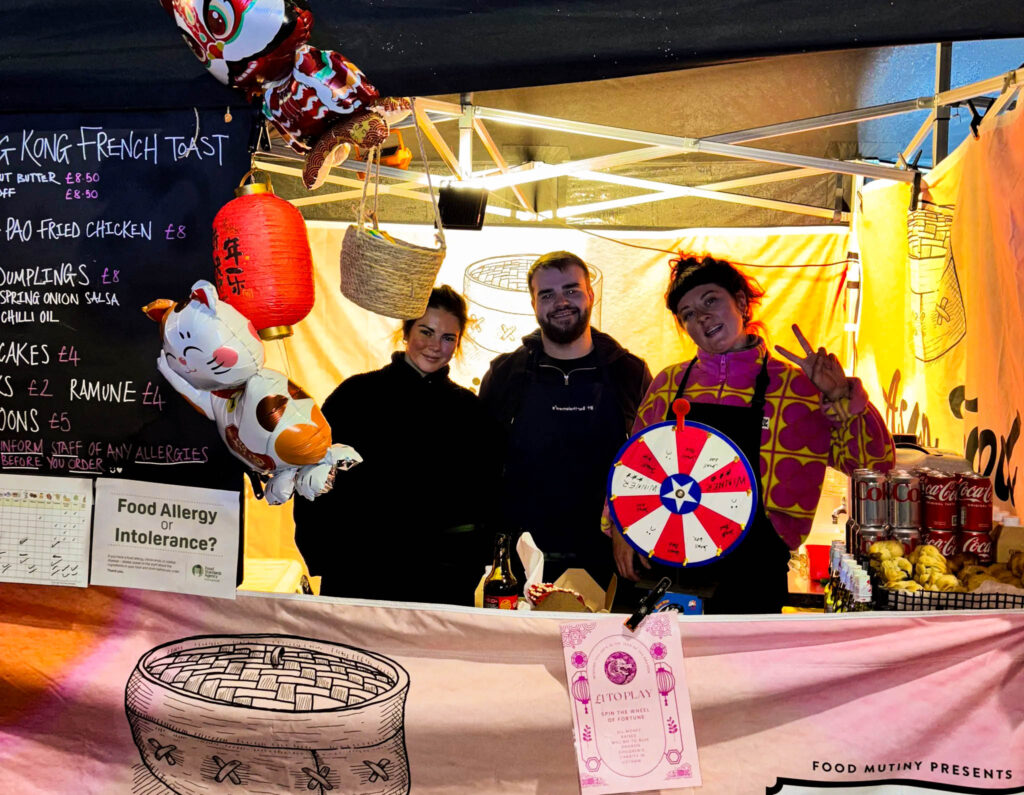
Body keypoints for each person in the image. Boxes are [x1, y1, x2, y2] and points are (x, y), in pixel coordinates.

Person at [609, 254, 894, 614]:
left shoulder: (797, 388)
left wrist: (842, 397)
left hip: (755, 570)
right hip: (672, 566)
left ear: (741, 303)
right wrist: (620, 528)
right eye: (688, 314)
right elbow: (635, 468)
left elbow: (874, 467)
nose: (702, 317)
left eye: (711, 300)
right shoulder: (670, 384)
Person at [293, 285, 499, 605]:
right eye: (426, 332)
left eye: (448, 338)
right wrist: (324, 557)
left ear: (458, 344)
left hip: (443, 582)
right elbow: (314, 477)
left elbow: (488, 494)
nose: (435, 346)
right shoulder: (355, 396)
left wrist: (472, 563)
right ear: (406, 331)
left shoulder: (469, 410)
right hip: (359, 575)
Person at [480, 251, 652, 584]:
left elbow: (652, 462)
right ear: (533, 304)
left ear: (591, 294)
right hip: (524, 559)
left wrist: (628, 527)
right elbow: (483, 463)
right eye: (547, 294)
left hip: (609, 556)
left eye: (571, 290)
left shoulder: (630, 372)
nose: (561, 302)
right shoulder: (505, 373)